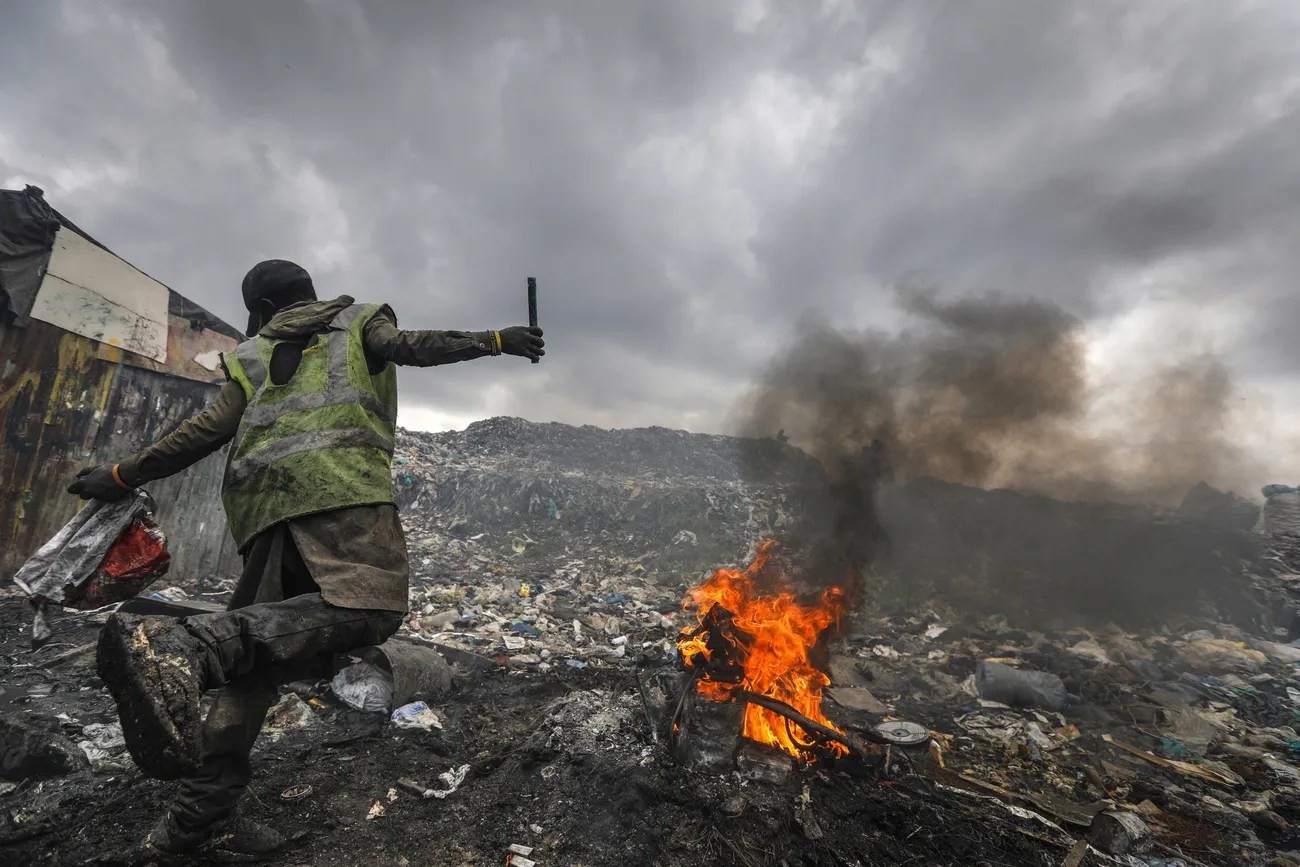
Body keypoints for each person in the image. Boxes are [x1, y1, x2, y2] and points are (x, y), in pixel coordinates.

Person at [66, 259, 544, 860]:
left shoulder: (251, 353)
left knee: (254, 668)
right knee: (371, 610)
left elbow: (203, 433)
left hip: (265, 512)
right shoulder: (357, 320)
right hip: (344, 498)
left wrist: (117, 474)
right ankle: (190, 646)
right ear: (308, 294)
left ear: (263, 311)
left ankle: (192, 826)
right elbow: (413, 347)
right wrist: (498, 340)